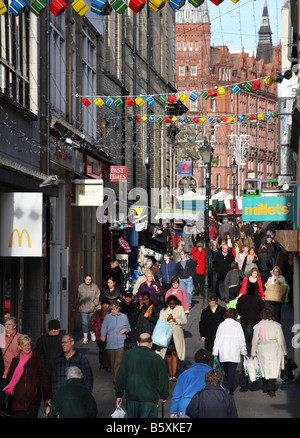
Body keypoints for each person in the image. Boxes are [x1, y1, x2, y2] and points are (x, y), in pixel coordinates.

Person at [115, 333, 169, 418]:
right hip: (149, 399)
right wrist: (163, 394)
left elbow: (121, 376)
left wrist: (119, 394)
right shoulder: (157, 358)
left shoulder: (129, 355)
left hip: (132, 398)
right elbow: (163, 379)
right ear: (151, 343)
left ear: (138, 343)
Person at [4, 334, 51, 418]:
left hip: (34, 398)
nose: (27, 347)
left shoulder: (37, 359)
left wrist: (47, 395)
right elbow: (9, 377)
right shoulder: (15, 361)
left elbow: (44, 378)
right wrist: (16, 389)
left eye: (29, 344)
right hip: (19, 399)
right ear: (20, 347)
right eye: (25, 345)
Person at [251, 308, 287, 396]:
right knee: (273, 368)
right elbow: (281, 340)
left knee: (263, 367)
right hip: (274, 348)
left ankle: (265, 386)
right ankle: (272, 390)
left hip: (262, 348)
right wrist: (285, 351)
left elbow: (254, 340)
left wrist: (253, 353)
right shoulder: (277, 326)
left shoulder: (258, 326)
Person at [212, 308, 247, 395]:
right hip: (234, 351)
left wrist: (215, 352)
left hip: (224, 351)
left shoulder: (221, 325)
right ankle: (229, 387)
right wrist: (244, 351)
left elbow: (217, 339)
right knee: (232, 371)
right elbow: (241, 339)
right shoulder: (237, 325)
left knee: (226, 371)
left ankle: (227, 385)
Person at [170, 349, 213, 418]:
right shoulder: (214, 375)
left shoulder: (185, 374)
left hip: (186, 407)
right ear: (210, 361)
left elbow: (177, 394)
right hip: (207, 407)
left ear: (196, 360)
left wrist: (173, 411)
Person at [156, 295, 187, 381]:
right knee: (168, 354)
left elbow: (184, 320)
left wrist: (175, 320)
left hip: (177, 334)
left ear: (176, 303)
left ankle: (174, 374)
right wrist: (167, 319)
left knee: (175, 353)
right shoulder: (163, 310)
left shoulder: (180, 309)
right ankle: (170, 374)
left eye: (173, 304)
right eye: (170, 304)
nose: (172, 306)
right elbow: (160, 322)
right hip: (167, 334)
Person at [100, 300, 131, 383]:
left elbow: (129, 328)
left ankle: (116, 379)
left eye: (115, 309)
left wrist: (125, 330)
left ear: (119, 309)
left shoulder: (124, 317)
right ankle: (115, 376)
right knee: (113, 362)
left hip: (121, 342)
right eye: (112, 309)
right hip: (110, 343)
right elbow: (104, 327)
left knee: (118, 362)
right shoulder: (107, 317)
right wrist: (103, 335)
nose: (113, 311)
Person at [0, 316, 22, 416]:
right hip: (3, 372)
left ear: (14, 326)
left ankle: (10, 412)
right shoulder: (1, 337)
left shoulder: (19, 338)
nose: (7, 326)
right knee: (1, 395)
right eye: (6, 325)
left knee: (12, 396)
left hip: (15, 372)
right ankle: (2, 411)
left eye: (9, 324)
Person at [236, 285, 265, 356]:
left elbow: (238, 310)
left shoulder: (242, 299)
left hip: (246, 321)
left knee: (248, 341)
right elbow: (263, 309)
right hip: (257, 322)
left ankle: (249, 357)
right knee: (256, 340)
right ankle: (256, 355)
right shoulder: (258, 299)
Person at [76, 274, 100, 344]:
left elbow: (97, 296)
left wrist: (95, 303)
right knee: (84, 323)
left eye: (89, 279)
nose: (88, 281)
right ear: (84, 279)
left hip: (92, 308)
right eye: (87, 279)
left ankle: (92, 333)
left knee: (92, 323)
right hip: (83, 308)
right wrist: (75, 305)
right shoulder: (80, 287)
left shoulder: (95, 286)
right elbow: (77, 296)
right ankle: (85, 337)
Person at [88, 297, 111, 370]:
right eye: (104, 304)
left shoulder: (111, 313)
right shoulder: (97, 313)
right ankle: (102, 363)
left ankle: (106, 365)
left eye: (107, 304)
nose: (105, 306)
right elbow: (91, 322)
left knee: (107, 350)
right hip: (99, 334)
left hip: (109, 334)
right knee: (102, 349)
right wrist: (95, 328)